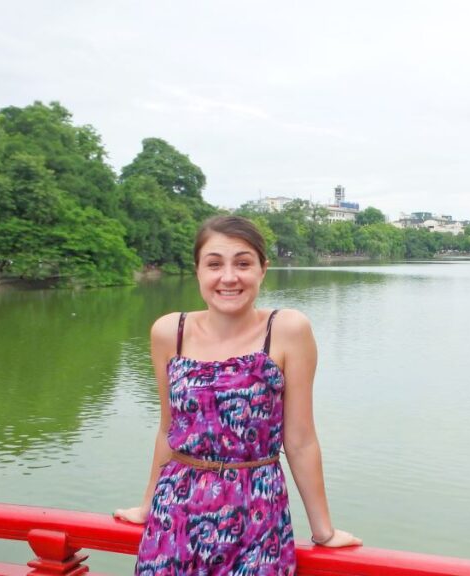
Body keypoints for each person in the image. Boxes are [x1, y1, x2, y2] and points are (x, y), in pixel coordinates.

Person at [114, 215, 361, 574]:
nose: (229, 277)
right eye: (214, 264)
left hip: (256, 514)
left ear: (263, 269)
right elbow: (169, 430)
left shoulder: (288, 330)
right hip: (175, 515)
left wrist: (322, 530)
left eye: (243, 263)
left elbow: (301, 440)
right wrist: (147, 505)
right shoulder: (170, 331)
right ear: (197, 270)